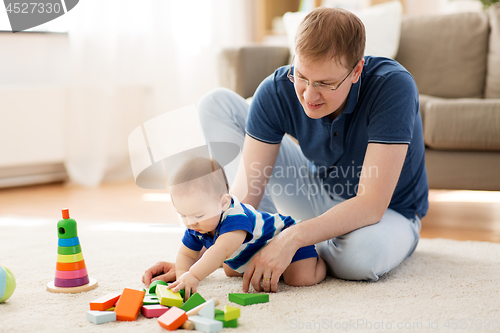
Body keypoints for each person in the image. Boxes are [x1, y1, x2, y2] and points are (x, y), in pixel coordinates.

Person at [143, 7, 428, 293]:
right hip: (317, 195)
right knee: (215, 103)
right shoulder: (278, 89)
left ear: (356, 71)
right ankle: (269, 243)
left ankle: (293, 245)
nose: (309, 95)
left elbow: (371, 204)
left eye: (325, 84)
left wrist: (293, 237)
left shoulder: (392, 86)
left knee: (359, 259)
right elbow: (246, 200)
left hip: (388, 212)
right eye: (301, 76)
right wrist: (198, 261)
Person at [159, 156, 325, 298]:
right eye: (183, 215)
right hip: (254, 251)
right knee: (229, 269)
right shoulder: (196, 225)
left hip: (289, 238)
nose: (190, 223)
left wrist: (194, 275)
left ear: (223, 203)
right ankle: (272, 270)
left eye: (198, 215)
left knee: (300, 278)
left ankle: (323, 262)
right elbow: (186, 254)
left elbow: (221, 250)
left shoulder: (236, 218)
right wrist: (182, 279)